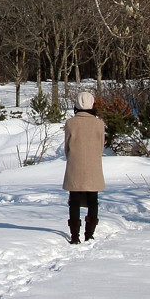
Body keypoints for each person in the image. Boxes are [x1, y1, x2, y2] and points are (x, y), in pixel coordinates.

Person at [62, 91, 105, 244]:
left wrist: (72, 159)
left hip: (75, 164)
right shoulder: (99, 123)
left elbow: (67, 147)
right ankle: (90, 235)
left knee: (74, 201)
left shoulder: (70, 123)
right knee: (93, 200)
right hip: (94, 165)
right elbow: (101, 146)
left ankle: (74, 237)